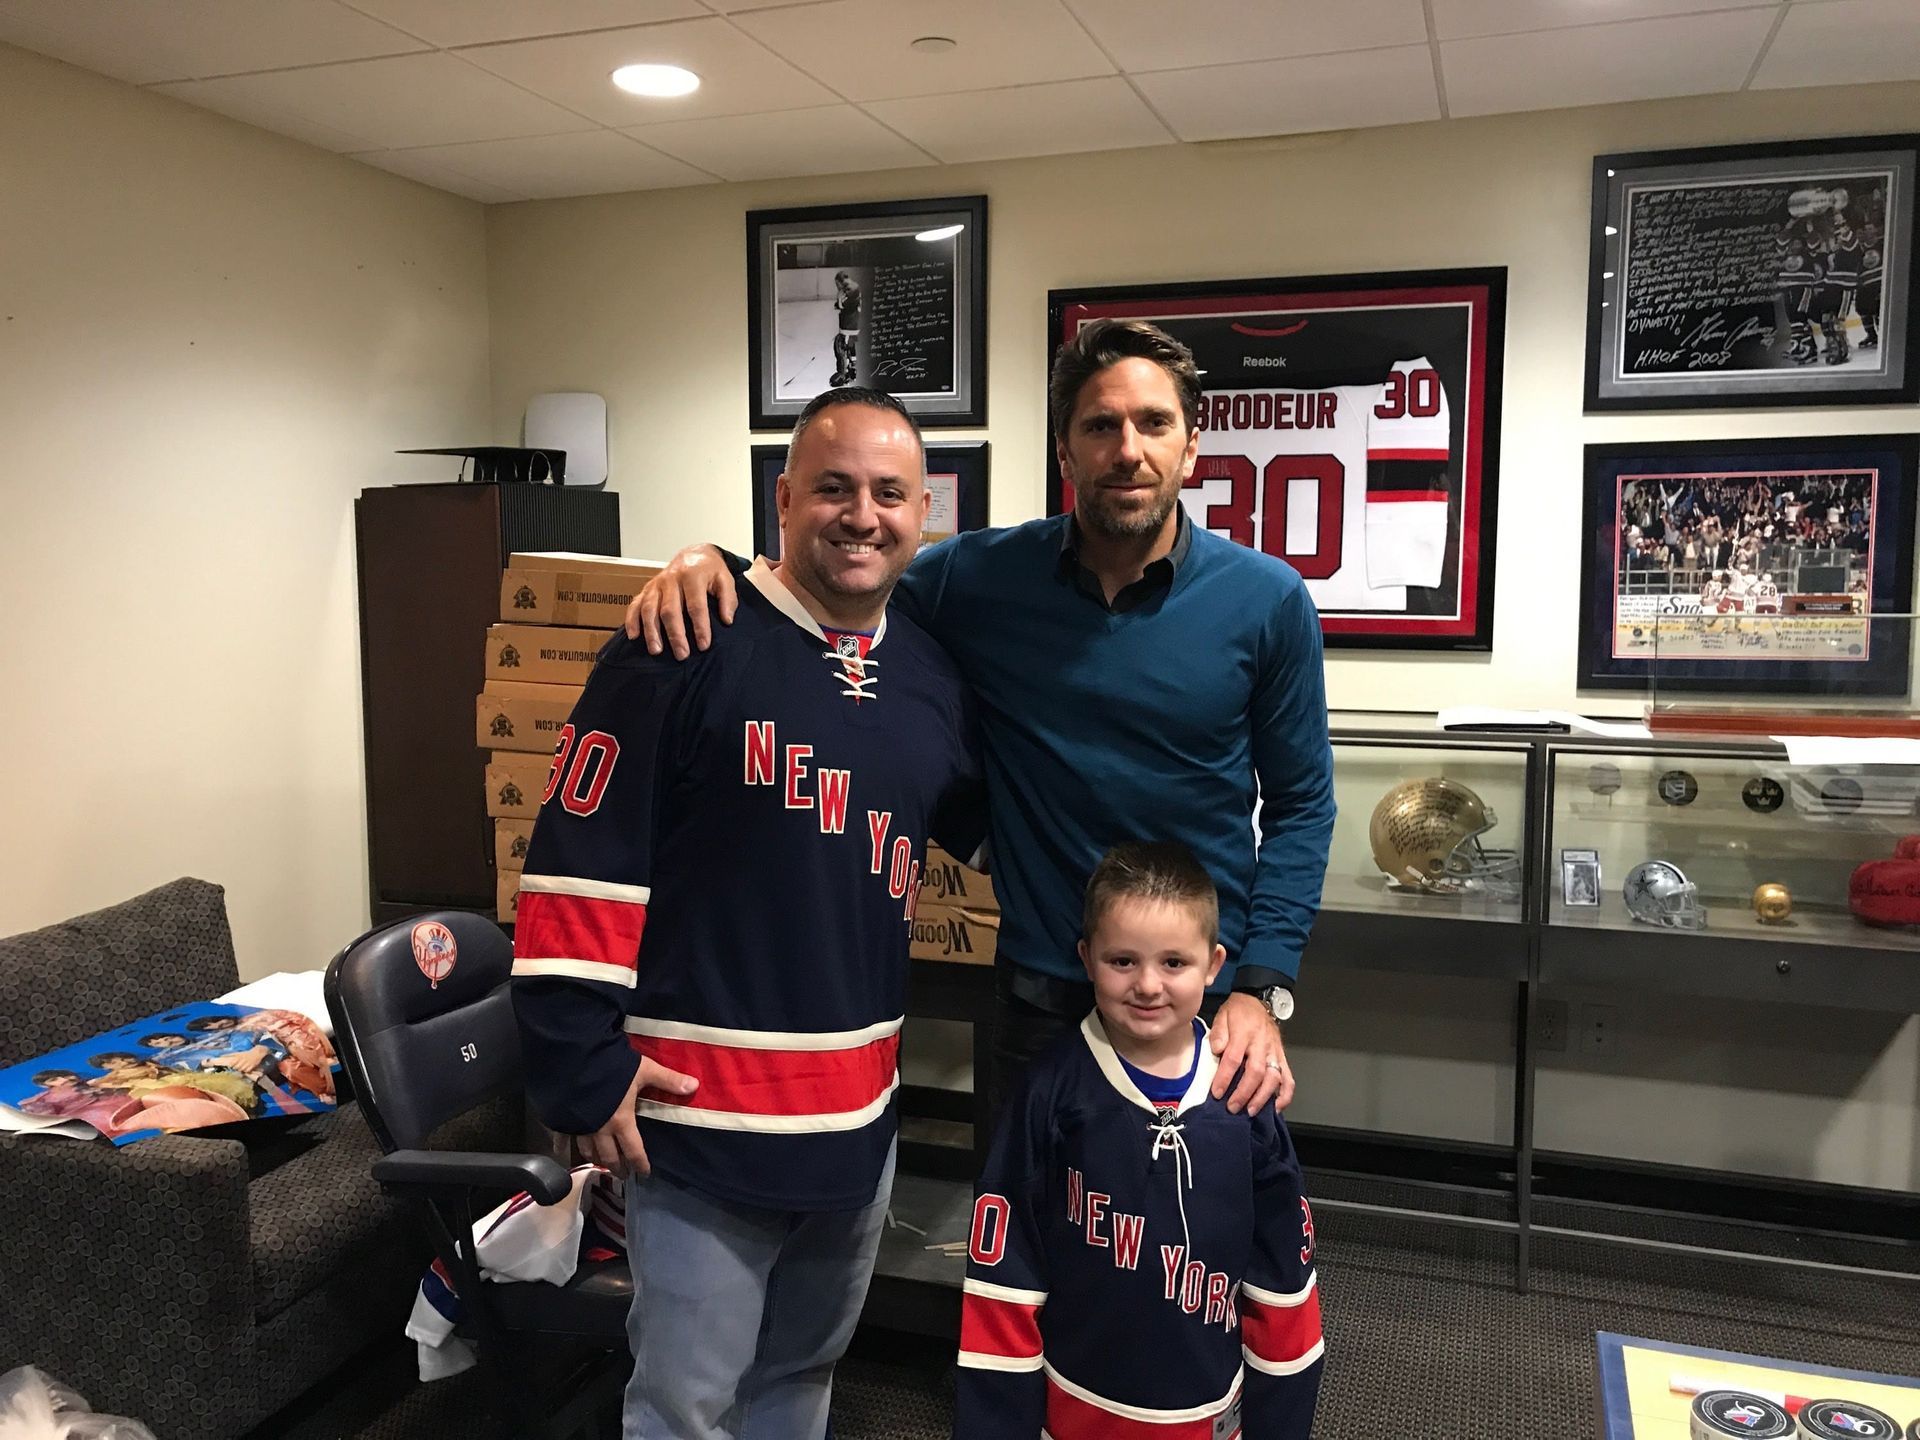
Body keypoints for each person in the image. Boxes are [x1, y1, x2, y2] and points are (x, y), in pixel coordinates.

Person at [628, 319, 1334, 1123]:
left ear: (1190, 446)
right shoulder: (977, 578)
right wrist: (714, 563)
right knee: (1019, 1239)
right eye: (1100, 426)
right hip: (1039, 1001)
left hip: (1198, 1002)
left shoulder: (1267, 601)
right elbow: (840, 579)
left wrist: (1261, 988)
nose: (1128, 450)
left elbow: (1302, 805)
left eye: (1153, 424)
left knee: (1192, 1239)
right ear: (1066, 454)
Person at [510, 386, 985, 1440]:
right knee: (685, 1404)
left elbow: (988, 822)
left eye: (889, 493)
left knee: (801, 1377)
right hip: (700, 1129)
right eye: (833, 488)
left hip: (858, 1129)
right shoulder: (682, 640)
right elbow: (576, 864)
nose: (862, 515)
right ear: (784, 499)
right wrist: (579, 1066)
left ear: (923, 515)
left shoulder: (926, 676)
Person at [952, 842, 1323, 1438]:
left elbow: (1283, 1287)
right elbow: (1004, 1278)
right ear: (1087, 958)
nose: (1148, 985)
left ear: (1214, 964)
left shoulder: (1244, 1099)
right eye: (1122, 960)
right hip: (1076, 1408)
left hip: (1205, 1413)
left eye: (1174, 962)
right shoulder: (1049, 1094)